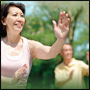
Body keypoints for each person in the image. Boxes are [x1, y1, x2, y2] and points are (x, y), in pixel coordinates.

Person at [1, 2, 70, 89]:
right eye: (15, 15)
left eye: (22, 16)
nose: (20, 19)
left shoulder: (30, 46)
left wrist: (61, 39)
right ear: (3, 21)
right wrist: (10, 81)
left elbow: (51, 53)